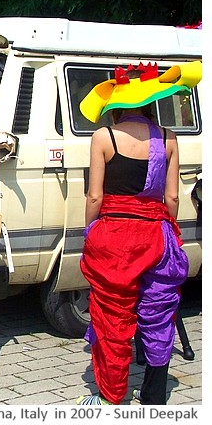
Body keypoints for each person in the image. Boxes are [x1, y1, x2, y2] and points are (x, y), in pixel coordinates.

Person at [76, 61, 201, 405]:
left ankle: (111, 396)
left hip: (114, 236)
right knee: (158, 312)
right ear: (150, 102)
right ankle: (154, 395)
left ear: (116, 104)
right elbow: (172, 197)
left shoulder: (104, 137)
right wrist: (167, 228)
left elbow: (95, 195)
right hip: (157, 234)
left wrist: (90, 231)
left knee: (113, 316)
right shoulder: (168, 137)